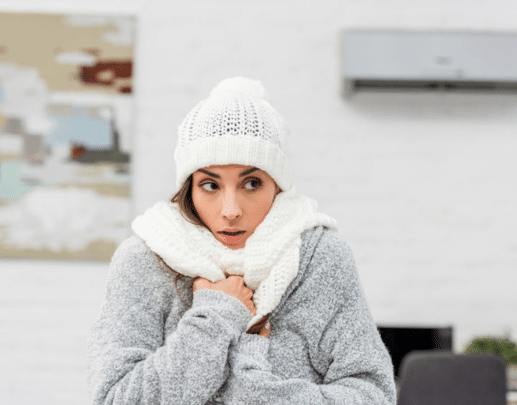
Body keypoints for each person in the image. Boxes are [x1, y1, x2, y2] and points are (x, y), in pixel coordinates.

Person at [87, 77, 397, 404]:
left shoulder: (318, 256)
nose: (231, 211)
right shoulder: (144, 260)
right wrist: (216, 317)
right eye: (210, 185)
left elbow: (373, 394)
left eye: (251, 183)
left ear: (277, 186)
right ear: (189, 189)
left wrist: (252, 386)